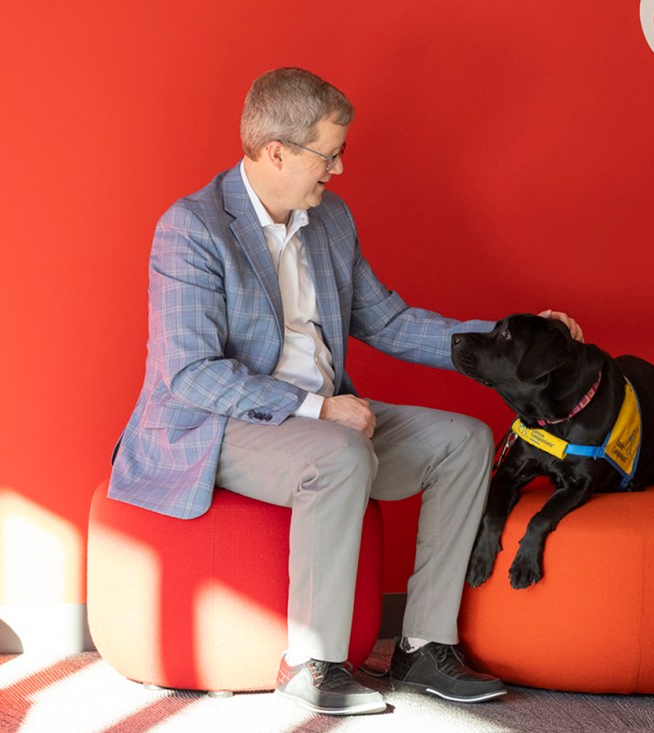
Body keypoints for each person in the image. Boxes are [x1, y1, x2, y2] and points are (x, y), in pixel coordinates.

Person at [109, 67, 582, 716]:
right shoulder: (192, 228)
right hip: (216, 424)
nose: (337, 170)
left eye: (339, 153)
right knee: (339, 454)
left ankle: (422, 646)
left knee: (465, 441)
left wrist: (511, 340)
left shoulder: (329, 220)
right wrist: (318, 409)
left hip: (322, 418)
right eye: (327, 154)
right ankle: (311, 661)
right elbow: (189, 373)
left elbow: (389, 320)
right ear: (276, 151)